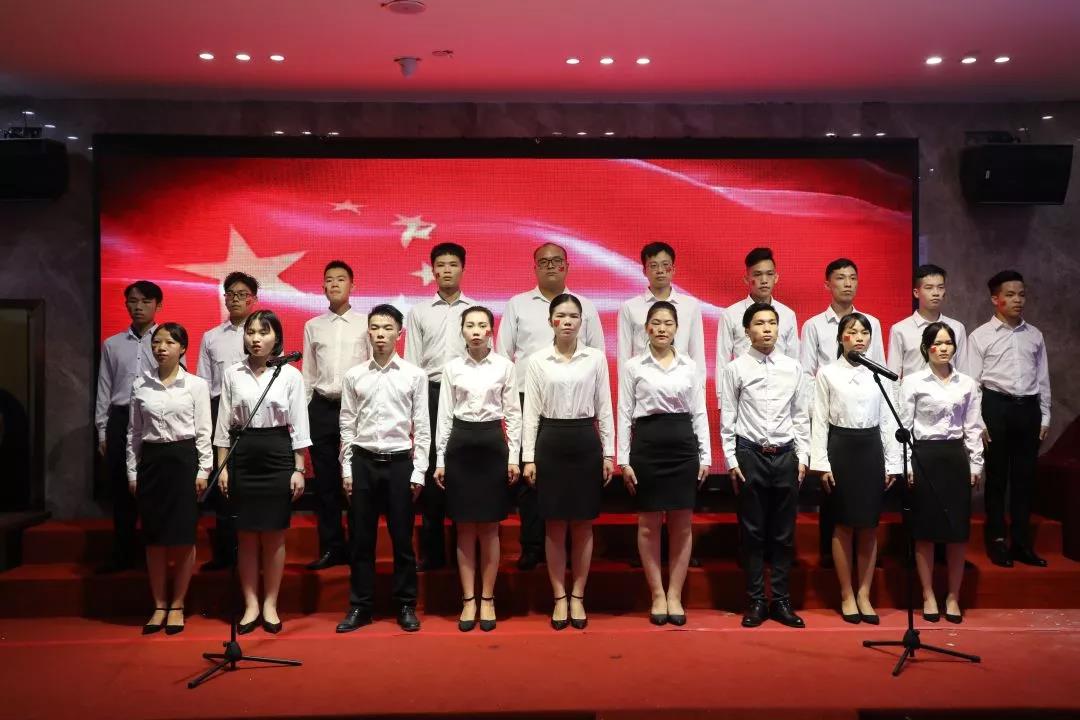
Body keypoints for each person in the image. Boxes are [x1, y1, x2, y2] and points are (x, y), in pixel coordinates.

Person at [496, 243, 606, 571]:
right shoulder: (517, 304)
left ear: (567, 266)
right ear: (535, 268)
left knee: (572, 481)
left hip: (573, 404)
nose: (550, 266)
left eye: (557, 261)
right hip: (526, 398)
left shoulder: (584, 306)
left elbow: (597, 353)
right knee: (531, 476)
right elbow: (503, 354)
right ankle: (533, 546)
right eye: (543, 262)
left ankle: (569, 549)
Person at [522, 294, 615, 630]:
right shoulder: (537, 360)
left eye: (574, 316)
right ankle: (559, 596)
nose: (567, 321)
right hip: (550, 441)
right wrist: (528, 457)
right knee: (554, 524)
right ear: (551, 321)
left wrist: (609, 452)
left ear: (581, 322)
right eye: (561, 315)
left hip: (584, 440)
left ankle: (578, 595)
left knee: (583, 523)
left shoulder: (596, 359)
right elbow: (530, 412)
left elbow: (604, 407)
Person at [215, 310, 309, 635]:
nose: (256, 338)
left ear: (276, 338)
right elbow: (223, 425)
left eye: (263, 332)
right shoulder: (233, 373)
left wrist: (299, 468)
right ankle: (251, 604)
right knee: (245, 535)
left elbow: (299, 426)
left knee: (273, 534)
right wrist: (222, 466)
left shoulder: (290, 375)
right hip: (242, 456)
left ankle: (270, 603)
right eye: (251, 332)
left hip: (277, 454)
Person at [336, 304, 429, 634]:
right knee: (361, 540)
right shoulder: (354, 375)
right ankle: (360, 606)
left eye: (387, 328)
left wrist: (419, 471)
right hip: (363, 462)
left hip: (400, 463)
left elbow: (422, 426)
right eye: (374, 328)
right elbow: (347, 424)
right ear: (368, 332)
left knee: (402, 540)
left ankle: (405, 605)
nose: (380, 334)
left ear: (399, 334)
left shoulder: (414, 375)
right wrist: (347, 470)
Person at [618, 301, 709, 626]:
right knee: (648, 524)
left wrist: (706, 455)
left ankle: (675, 594)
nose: (661, 329)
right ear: (646, 328)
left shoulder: (689, 365)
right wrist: (623, 459)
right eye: (655, 323)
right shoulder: (633, 366)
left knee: (682, 525)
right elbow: (624, 412)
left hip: (683, 447)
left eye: (668, 323)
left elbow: (699, 411)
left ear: (676, 329)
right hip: (647, 445)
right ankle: (657, 594)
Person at [720, 303, 809, 629]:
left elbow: (800, 414)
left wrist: (803, 456)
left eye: (772, 322)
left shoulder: (793, 367)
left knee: (784, 533)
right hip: (750, 454)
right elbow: (728, 417)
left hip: (786, 454)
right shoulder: (736, 368)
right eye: (759, 323)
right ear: (747, 331)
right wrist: (731, 459)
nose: (767, 328)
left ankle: (781, 601)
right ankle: (756, 600)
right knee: (753, 531)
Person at [434, 306, 521, 632]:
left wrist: (514, 456)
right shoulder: (452, 367)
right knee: (465, 527)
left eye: (481, 325)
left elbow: (513, 414)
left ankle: (488, 598)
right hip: (461, 444)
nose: (475, 330)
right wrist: (440, 459)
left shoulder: (504, 366)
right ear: (462, 331)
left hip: (491, 443)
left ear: (490, 331)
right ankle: (468, 599)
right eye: (469, 325)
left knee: (489, 527)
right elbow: (445, 415)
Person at [810, 313, 901, 624]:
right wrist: (821, 463)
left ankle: (864, 593)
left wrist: (892, 462)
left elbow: (888, 420)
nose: (860, 337)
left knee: (869, 524)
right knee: (844, 524)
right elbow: (820, 420)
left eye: (865, 332)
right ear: (840, 338)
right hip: (841, 448)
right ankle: (847, 593)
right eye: (852, 332)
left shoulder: (879, 374)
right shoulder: (827, 373)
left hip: (871, 448)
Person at [126, 323, 212, 634]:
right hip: (152, 463)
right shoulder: (140, 385)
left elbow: (204, 432)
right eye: (157, 342)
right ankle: (159, 604)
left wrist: (204, 469)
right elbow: (134, 433)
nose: (161, 348)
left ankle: (178, 604)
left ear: (183, 348)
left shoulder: (196, 385)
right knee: (154, 539)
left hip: (184, 462)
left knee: (183, 537)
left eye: (169, 342)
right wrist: (132, 471)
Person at [800, 258, 886, 569]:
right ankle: (830, 554)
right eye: (840, 278)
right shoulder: (814, 325)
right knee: (832, 493)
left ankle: (860, 561)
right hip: (831, 411)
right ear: (828, 284)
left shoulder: (871, 323)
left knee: (864, 504)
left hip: (865, 415)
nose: (847, 283)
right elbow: (807, 373)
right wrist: (818, 412)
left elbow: (880, 369)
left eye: (852, 277)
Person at [964, 270, 1051, 568]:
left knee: (1025, 479)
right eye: (1010, 295)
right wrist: (979, 422)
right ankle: (997, 541)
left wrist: (1045, 415)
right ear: (995, 299)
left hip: (1028, 408)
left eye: (1022, 294)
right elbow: (972, 383)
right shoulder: (980, 336)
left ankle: (1022, 544)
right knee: (997, 478)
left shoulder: (1034, 335)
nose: (1018, 300)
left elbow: (1043, 379)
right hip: (995, 407)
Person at [900, 322, 984, 624]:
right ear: (926, 348)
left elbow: (973, 426)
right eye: (938, 343)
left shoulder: (967, 384)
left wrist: (975, 463)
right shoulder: (912, 382)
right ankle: (928, 594)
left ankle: (953, 596)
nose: (944, 348)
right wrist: (906, 464)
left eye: (949, 343)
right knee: (925, 531)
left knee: (956, 532)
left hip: (954, 457)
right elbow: (904, 427)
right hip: (924, 456)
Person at [405, 242, 475, 572]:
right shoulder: (419, 312)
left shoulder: (475, 311)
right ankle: (433, 553)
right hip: (431, 394)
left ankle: (466, 552)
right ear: (433, 270)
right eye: (441, 265)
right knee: (432, 469)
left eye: (453, 264)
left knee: (462, 469)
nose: (447, 270)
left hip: (466, 395)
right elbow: (412, 363)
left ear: (463, 269)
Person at [301, 260, 370, 570]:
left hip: (358, 408)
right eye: (329, 280)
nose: (334, 284)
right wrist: (304, 413)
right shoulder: (313, 325)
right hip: (322, 407)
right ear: (323, 287)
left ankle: (358, 547)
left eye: (341, 279)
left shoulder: (367, 323)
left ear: (352, 285)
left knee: (357, 480)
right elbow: (308, 374)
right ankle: (332, 547)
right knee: (326, 483)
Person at [95, 280, 162, 573]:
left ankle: (153, 556)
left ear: (158, 305)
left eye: (145, 301)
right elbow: (104, 388)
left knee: (153, 489)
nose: (138, 307)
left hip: (155, 418)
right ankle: (122, 554)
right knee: (122, 490)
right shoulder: (112, 344)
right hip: (121, 419)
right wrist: (102, 429)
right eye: (133, 301)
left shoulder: (167, 340)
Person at [196, 271, 259, 571]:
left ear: (253, 299)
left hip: (255, 413)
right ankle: (225, 555)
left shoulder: (263, 333)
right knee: (223, 485)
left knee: (251, 484)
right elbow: (203, 384)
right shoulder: (211, 337)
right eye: (230, 294)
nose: (235, 299)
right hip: (219, 411)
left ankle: (253, 553)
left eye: (242, 294)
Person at [715, 247, 799, 371]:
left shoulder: (787, 315)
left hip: (780, 381)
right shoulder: (730, 314)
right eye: (758, 274)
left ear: (776, 277)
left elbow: (794, 361)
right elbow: (722, 362)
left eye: (769, 274)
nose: (764, 280)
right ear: (746, 279)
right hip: (743, 381)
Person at [887, 264, 967, 380]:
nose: (936, 293)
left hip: (949, 390)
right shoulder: (900, 329)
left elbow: (963, 373)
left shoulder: (957, 328)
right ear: (916, 292)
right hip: (913, 391)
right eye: (929, 288)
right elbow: (893, 374)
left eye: (940, 287)